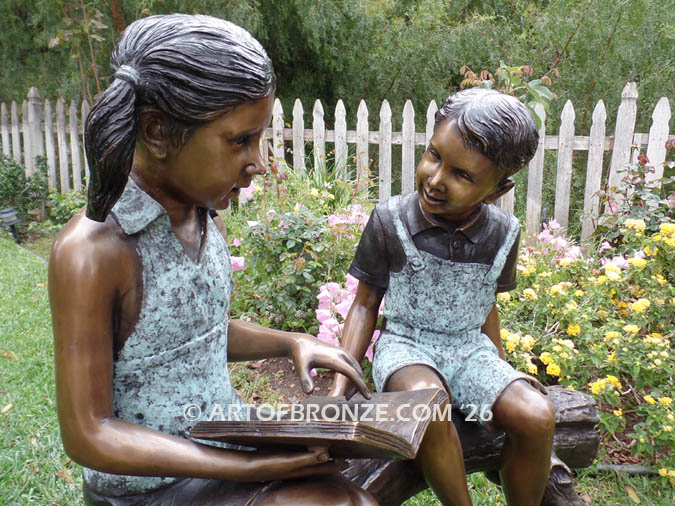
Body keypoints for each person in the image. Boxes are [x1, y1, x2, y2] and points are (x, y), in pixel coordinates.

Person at [48, 14, 377, 506]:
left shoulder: (205, 217)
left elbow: (193, 336)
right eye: (240, 141)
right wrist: (246, 467)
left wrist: (292, 341)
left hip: (228, 444)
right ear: (158, 133)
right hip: (150, 490)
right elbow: (89, 434)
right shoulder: (92, 253)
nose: (258, 162)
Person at [330, 88, 556, 506]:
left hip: (471, 352)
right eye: (434, 155)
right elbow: (364, 305)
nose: (435, 179)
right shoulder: (390, 220)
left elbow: (487, 305)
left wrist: (499, 377)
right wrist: (341, 384)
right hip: (406, 349)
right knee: (429, 404)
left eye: (462, 175)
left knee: (537, 415)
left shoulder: (504, 233)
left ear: (496, 190)